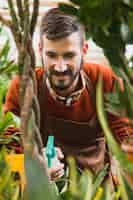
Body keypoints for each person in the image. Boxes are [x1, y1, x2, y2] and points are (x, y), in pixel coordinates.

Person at [4, 8, 133, 182]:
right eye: (51, 55)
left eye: (69, 55)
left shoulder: (104, 80)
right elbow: (9, 144)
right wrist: (33, 162)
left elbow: (126, 138)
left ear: (84, 50)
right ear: (40, 50)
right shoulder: (23, 86)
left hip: (96, 190)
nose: (60, 67)